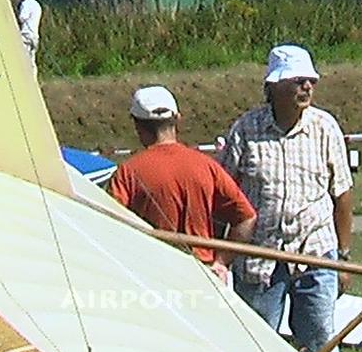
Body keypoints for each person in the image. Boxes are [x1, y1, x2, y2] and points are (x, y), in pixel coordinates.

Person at [217, 45, 354, 352]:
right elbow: (225, 195)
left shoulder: (326, 128)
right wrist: (219, 256)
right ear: (273, 87)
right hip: (259, 254)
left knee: (320, 342)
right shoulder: (245, 130)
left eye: (310, 80)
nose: (306, 87)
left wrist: (343, 259)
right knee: (258, 347)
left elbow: (342, 194)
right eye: (297, 80)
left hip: (316, 251)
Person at [107, 84, 256, 278]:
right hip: (203, 274)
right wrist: (221, 262)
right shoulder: (206, 166)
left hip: (152, 274)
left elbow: (108, 225)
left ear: (138, 125)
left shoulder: (128, 172)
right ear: (178, 120)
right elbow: (246, 218)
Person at [15, 0, 42, 72]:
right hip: (35, 35)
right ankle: (33, 81)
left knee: (23, 59)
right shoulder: (37, 5)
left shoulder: (25, 3)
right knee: (32, 60)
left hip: (26, 34)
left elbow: (22, 18)